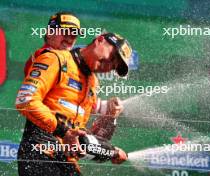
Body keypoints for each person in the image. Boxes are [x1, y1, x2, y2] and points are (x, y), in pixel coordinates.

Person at [16, 32, 132, 176]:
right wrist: (64, 132)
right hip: (41, 152)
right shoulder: (56, 59)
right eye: (113, 57)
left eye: (114, 66)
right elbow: (25, 100)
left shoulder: (93, 83)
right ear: (100, 40)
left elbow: (86, 140)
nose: (109, 65)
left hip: (67, 162)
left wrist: (110, 117)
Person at [24, 11, 81, 76]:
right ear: (49, 32)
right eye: (65, 32)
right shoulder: (45, 55)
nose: (69, 40)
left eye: (74, 35)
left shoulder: (71, 57)